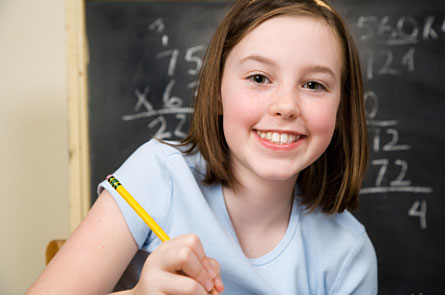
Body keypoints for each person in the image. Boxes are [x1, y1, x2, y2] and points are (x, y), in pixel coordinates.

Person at [27, 0, 377, 294]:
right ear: (218, 92)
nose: (286, 106)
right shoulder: (158, 175)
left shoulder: (348, 254)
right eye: (258, 78)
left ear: (340, 108)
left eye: (314, 85)